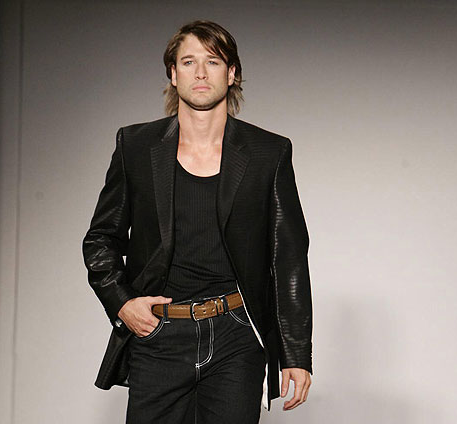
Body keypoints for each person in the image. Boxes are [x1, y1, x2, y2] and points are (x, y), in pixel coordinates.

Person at [82, 19, 312, 423]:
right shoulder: (136, 146)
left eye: (213, 61)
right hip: (160, 333)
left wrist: (296, 353)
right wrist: (123, 303)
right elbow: (101, 238)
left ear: (232, 73)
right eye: (188, 62)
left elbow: (288, 257)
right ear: (173, 74)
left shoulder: (268, 152)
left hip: (235, 333)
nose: (201, 73)